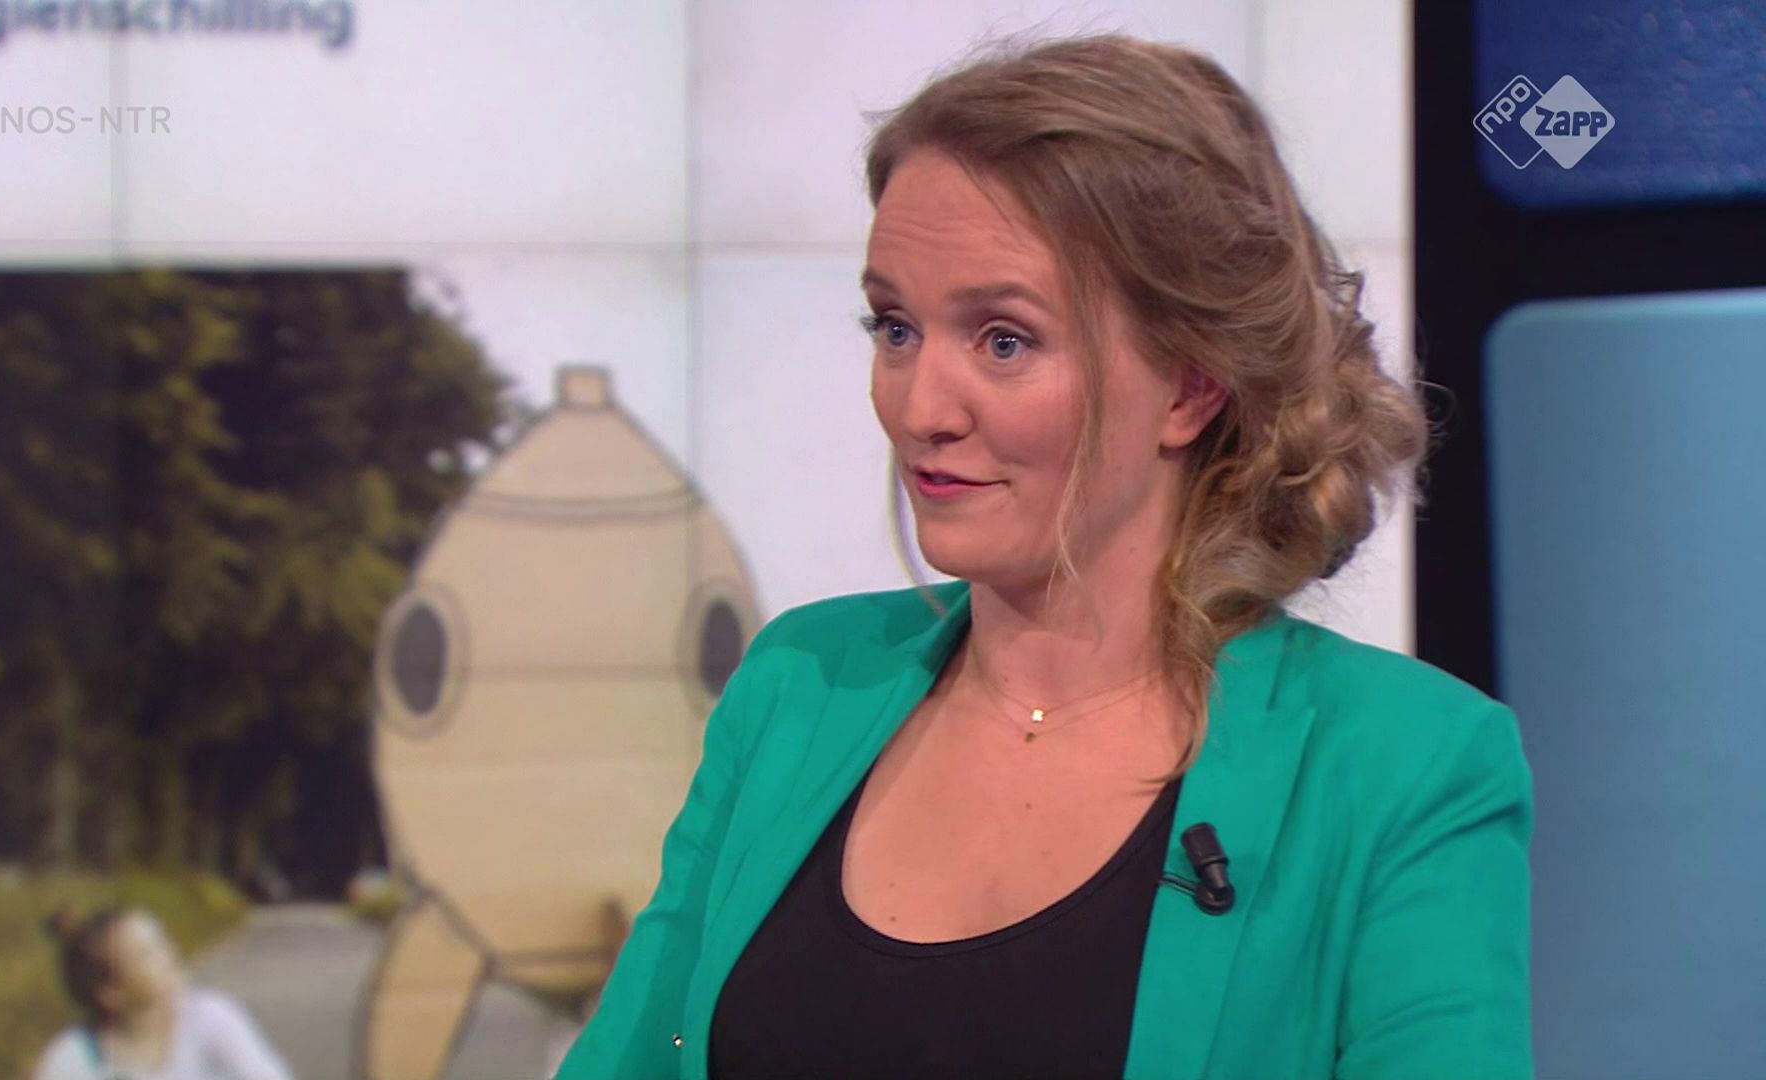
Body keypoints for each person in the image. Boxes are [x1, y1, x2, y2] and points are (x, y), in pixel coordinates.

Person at [554, 30, 1532, 1080]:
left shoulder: (1404, 766)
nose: (921, 409)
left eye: (1003, 340)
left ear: (1190, 385)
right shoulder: (800, 683)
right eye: (895, 328)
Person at [32, 905, 294, 1080]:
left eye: (163, 941)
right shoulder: (72, 1061)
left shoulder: (209, 1019)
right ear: (111, 993)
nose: (169, 954)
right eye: (147, 954)